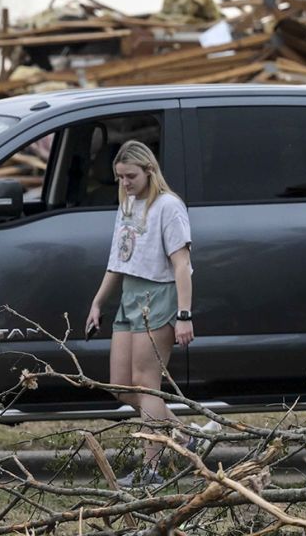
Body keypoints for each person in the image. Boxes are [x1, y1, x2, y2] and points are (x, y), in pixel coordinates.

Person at [85, 140, 196, 487]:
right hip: (129, 294)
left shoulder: (168, 206)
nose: (125, 183)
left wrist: (184, 314)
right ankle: (184, 435)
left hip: (158, 294)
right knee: (121, 386)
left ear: (149, 170)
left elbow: (182, 265)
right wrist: (98, 302)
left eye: (130, 176)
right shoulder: (128, 205)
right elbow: (118, 261)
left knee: (147, 382)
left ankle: (151, 467)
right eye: (119, 178)